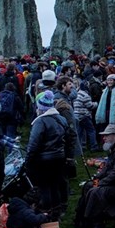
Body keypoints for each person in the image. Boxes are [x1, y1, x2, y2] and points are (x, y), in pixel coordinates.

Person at [26, 90, 76, 219]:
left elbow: (33, 144)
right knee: (55, 185)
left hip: (44, 159)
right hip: (59, 157)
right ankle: (57, 211)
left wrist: (28, 161)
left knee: (45, 186)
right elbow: (69, 138)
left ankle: (46, 212)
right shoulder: (61, 119)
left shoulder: (40, 122)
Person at [75, 124, 115, 228]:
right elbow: (107, 168)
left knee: (95, 191)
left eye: (106, 135)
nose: (103, 138)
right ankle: (82, 221)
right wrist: (96, 178)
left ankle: (97, 224)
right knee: (89, 185)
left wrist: (100, 183)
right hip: (114, 183)